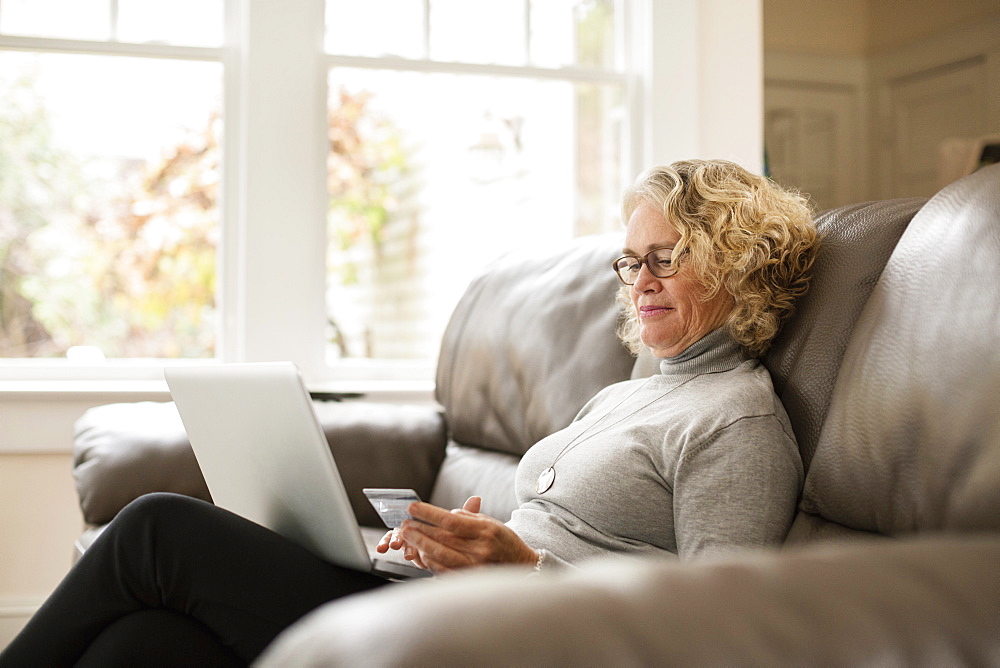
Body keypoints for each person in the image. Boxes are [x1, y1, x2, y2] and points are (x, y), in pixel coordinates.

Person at [1, 158, 818, 666]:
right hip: (458, 607)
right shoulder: (634, 390)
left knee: (157, 529)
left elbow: (723, 632)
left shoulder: (735, 422)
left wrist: (529, 573)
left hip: (512, 644)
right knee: (145, 646)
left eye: (664, 260)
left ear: (734, 262)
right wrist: (450, 543)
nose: (638, 280)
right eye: (629, 261)